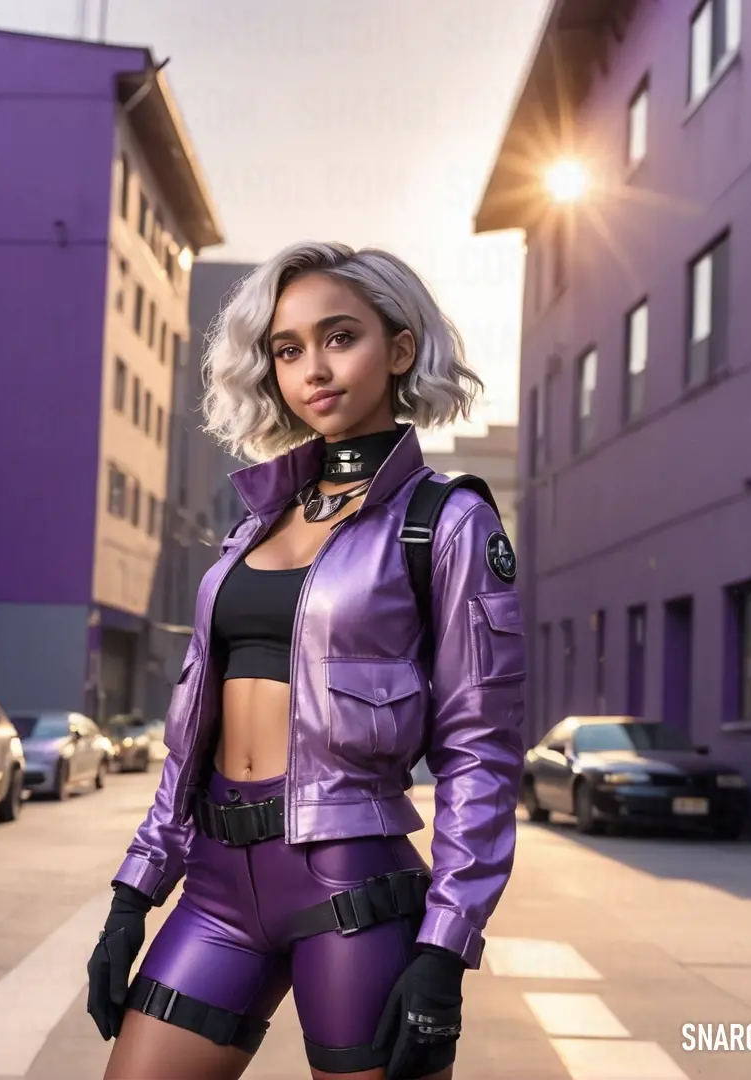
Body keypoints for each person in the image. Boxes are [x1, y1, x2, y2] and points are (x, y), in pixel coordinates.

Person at [87, 241, 526, 1080]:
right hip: (215, 887)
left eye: (339, 338)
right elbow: (190, 741)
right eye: (288, 350)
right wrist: (131, 895)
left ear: (400, 350)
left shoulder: (448, 522)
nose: (312, 369)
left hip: (350, 886)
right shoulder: (255, 521)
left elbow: (480, 749)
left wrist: (446, 947)